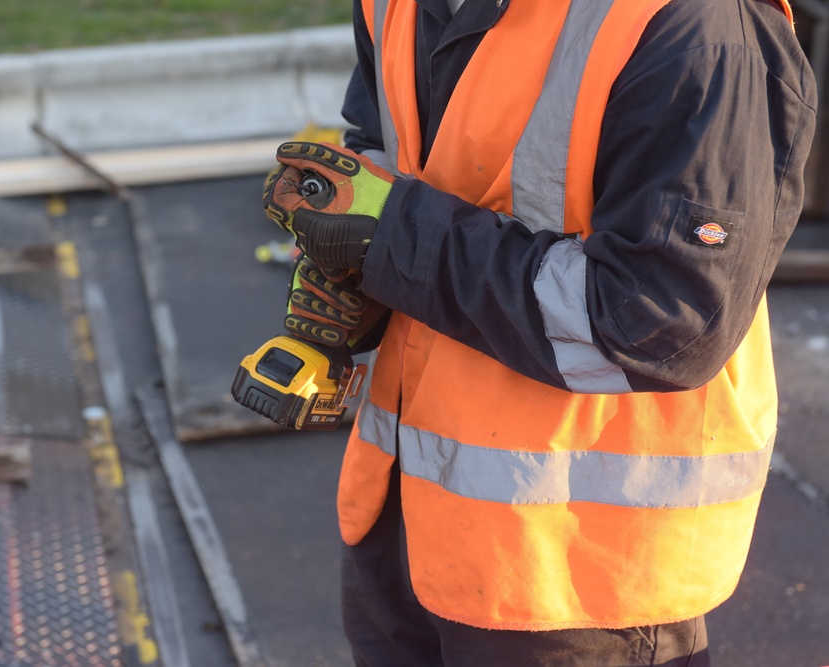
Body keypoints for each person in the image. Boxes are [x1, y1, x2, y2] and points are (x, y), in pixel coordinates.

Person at [261, 0, 818, 664]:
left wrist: (390, 237)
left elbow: (661, 320)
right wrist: (347, 248)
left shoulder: (689, 24)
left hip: (574, 574)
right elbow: (386, 146)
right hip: (401, 522)